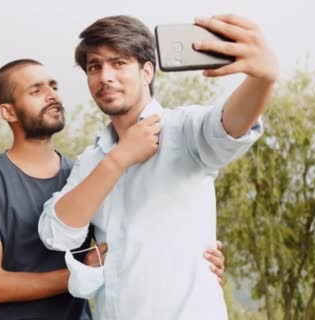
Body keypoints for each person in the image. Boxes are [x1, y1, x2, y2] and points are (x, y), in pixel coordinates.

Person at [38, 14, 277, 319]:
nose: (105, 76)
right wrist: (119, 158)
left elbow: (227, 127)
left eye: (119, 63)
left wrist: (263, 79)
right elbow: (56, 233)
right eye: (94, 67)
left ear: (147, 71)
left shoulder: (183, 130)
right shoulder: (92, 160)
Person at [0, 59, 225, 320]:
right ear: (8, 112)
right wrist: (82, 274)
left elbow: (128, 237)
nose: (51, 96)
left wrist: (195, 258)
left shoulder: (84, 173)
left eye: (54, 87)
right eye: (36, 91)